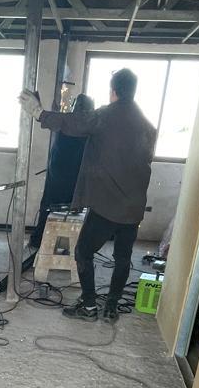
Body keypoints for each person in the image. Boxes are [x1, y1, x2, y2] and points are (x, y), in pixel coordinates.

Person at [20, 67, 156, 321]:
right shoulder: (147, 126)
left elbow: (73, 123)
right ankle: (111, 308)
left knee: (83, 251)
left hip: (107, 206)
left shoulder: (106, 116)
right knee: (123, 259)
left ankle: (90, 305)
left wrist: (39, 113)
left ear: (113, 91)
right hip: (133, 208)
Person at [29, 92, 95, 250]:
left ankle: (40, 241)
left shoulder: (66, 122)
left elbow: (49, 120)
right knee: (70, 213)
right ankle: (66, 245)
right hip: (74, 180)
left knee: (49, 208)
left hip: (58, 176)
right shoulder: (89, 128)